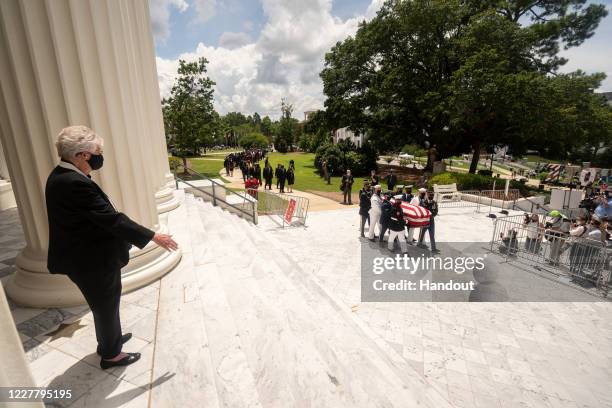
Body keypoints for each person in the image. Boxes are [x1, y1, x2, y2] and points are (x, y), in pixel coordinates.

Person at [45, 126, 178, 370]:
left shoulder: (63, 176)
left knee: (105, 305)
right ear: (83, 155)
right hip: (91, 261)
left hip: (87, 257)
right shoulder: (73, 182)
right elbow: (111, 219)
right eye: (98, 151)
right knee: (105, 307)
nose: (100, 155)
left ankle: (109, 341)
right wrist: (152, 236)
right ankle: (111, 354)